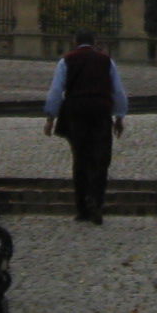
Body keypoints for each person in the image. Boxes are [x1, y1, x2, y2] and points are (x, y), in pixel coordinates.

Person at [42, 29, 127, 224]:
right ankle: (96, 199)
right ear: (95, 41)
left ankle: (82, 207)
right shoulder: (106, 61)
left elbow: (56, 90)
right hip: (100, 110)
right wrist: (119, 117)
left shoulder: (67, 60)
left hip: (75, 111)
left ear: (75, 41)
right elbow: (118, 91)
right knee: (101, 157)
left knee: (80, 157)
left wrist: (50, 118)